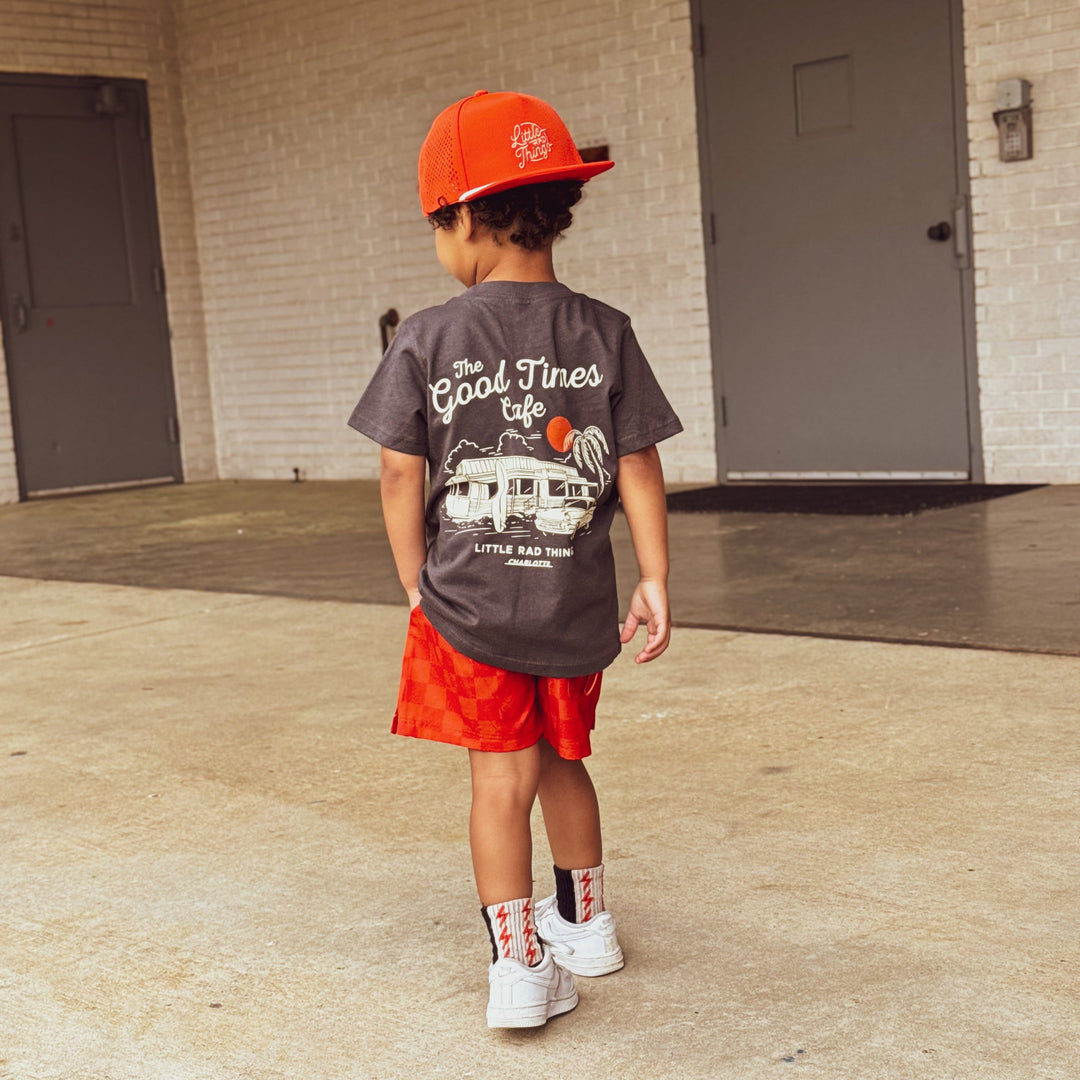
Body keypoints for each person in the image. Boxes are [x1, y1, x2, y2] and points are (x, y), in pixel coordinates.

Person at [349, 89, 682, 1029]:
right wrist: (655, 578)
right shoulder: (605, 329)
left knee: (500, 779)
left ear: (466, 217)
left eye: (436, 226)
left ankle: (521, 970)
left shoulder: (428, 336)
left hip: (471, 609)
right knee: (565, 757)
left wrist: (414, 579)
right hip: (573, 606)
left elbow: (397, 469)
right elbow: (638, 462)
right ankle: (588, 923)